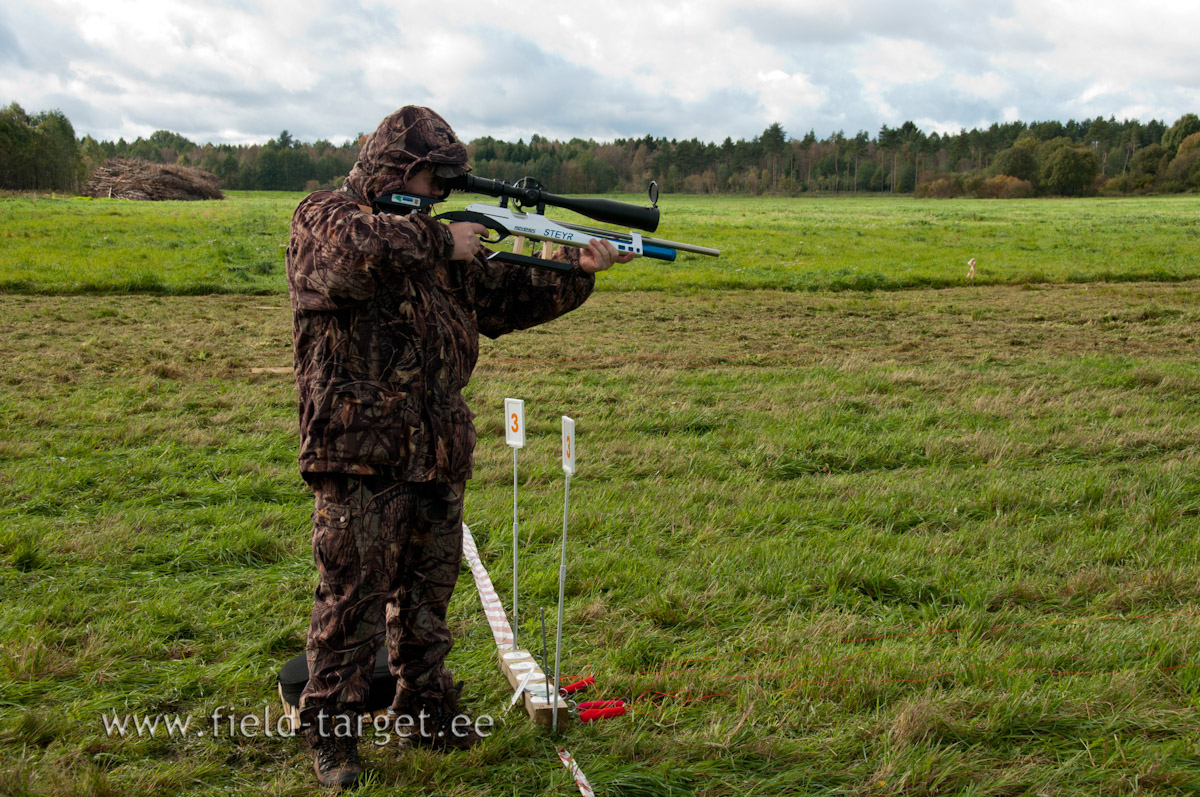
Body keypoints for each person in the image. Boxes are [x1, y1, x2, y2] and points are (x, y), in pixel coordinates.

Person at [285, 106, 632, 788]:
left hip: (436, 450)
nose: (439, 191)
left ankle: (426, 710)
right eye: (429, 176)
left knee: (425, 602)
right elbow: (360, 253)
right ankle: (332, 731)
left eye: (446, 182)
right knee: (350, 600)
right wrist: (443, 239)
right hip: (359, 453)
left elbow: (503, 297)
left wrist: (578, 266)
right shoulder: (324, 217)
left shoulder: (437, 244)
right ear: (391, 170)